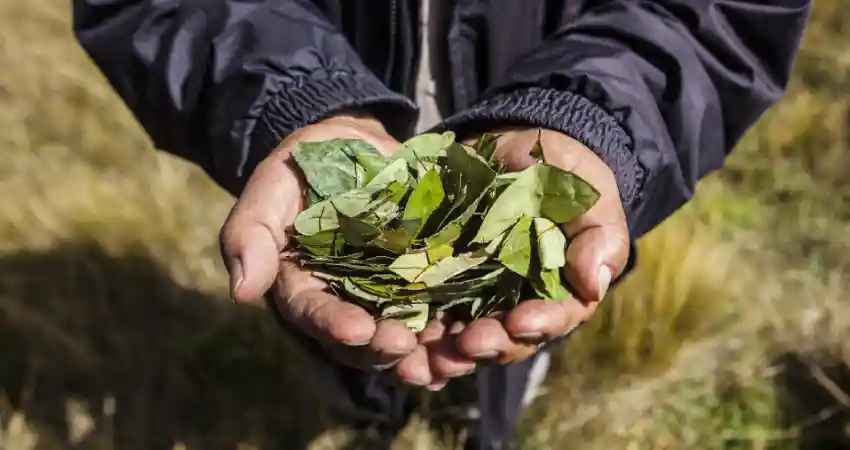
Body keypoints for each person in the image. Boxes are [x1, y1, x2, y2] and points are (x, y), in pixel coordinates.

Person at [72, 0, 812, 448]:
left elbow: (723, 14)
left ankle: (486, 431)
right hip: (346, 123)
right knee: (356, 349)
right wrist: (295, 95)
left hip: (530, 130)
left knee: (505, 350)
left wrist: (590, 112)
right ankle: (372, 420)